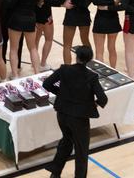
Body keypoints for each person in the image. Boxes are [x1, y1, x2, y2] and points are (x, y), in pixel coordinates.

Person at [42, 45, 109, 178]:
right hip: (79, 118)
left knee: (66, 141)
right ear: (89, 59)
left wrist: (60, 94)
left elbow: (47, 84)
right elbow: (103, 99)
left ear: (76, 56)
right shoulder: (91, 76)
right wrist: (94, 104)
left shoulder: (64, 69)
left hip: (62, 113)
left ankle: (55, 173)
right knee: (81, 150)